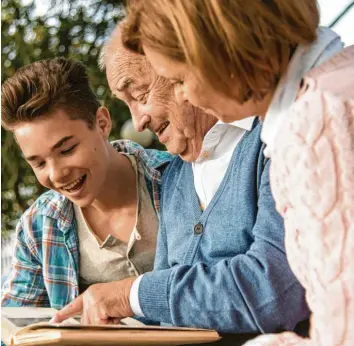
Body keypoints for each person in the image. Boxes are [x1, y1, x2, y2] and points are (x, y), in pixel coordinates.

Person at [53, 25, 310, 337]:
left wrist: (130, 294)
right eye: (127, 103)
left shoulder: (272, 138)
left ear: (181, 67)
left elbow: (274, 293)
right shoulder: (174, 177)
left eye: (140, 95)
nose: (139, 121)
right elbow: (164, 317)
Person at [1, 57, 171, 308]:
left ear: (101, 124)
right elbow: (12, 324)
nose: (56, 174)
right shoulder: (39, 225)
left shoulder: (178, 179)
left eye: (67, 150)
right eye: (38, 163)